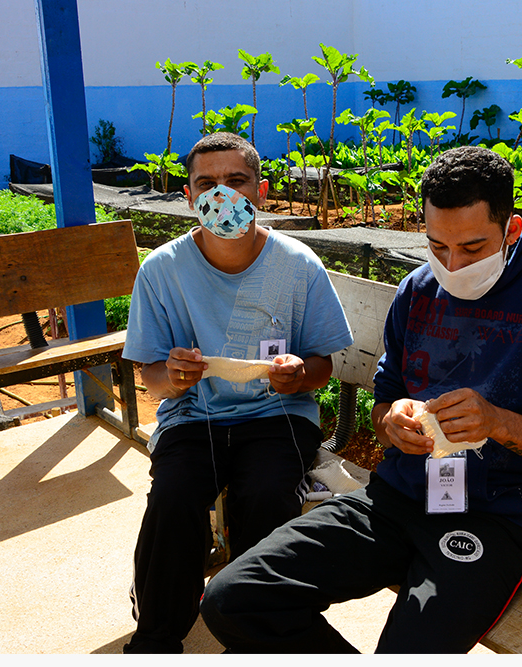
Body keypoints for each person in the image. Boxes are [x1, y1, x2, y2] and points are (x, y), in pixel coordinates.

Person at [199, 145, 522, 653]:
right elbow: (385, 403)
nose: (452, 264)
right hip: (396, 499)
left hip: (495, 519)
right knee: (232, 598)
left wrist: (499, 424)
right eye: (437, 246)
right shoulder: (418, 291)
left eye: (471, 247)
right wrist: (390, 422)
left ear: (511, 229)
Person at [121, 132, 353, 653]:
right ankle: (156, 638)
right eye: (206, 183)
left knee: (266, 494)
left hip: (278, 415)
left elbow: (323, 367)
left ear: (261, 192)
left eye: (236, 181)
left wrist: (298, 374)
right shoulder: (162, 270)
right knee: (175, 498)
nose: (220, 194)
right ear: (188, 196)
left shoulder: (297, 265)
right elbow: (150, 376)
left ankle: (253, 633)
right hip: (193, 416)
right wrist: (173, 376)